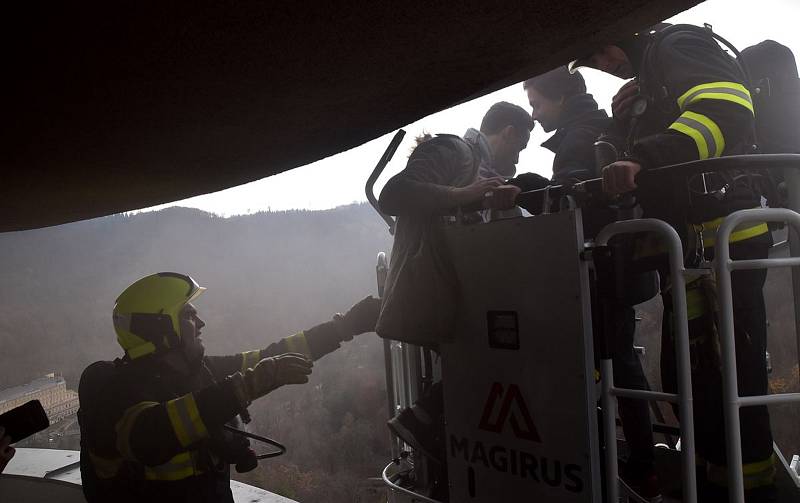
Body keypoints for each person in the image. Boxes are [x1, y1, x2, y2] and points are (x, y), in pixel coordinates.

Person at [572, 23, 776, 502]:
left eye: (599, 54)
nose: (605, 67)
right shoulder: (653, 74)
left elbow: (726, 111)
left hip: (726, 239)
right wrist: (627, 126)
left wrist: (644, 154)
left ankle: (752, 490)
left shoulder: (679, 45)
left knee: (731, 376)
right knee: (693, 376)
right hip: (691, 246)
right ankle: (709, 482)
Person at [78, 272, 380, 503]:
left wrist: (344, 327)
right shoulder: (118, 393)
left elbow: (270, 356)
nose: (201, 323)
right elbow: (150, 435)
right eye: (189, 315)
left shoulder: (200, 371)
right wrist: (244, 387)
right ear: (160, 327)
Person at [377, 102, 535, 500]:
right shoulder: (454, 150)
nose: (519, 157)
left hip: (452, 289)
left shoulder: (480, 171)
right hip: (431, 287)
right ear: (509, 132)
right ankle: (423, 419)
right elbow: (394, 193)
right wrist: (467, 193)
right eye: (521, 145)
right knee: (494, 355)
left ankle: (433, 426)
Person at [524, 67, 660, 500]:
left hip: (601, 270)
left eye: (537, 104)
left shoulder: (578, 136)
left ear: (559, 99)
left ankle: (633, 465)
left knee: (610, 363)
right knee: (622, 362)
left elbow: (572, 199)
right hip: (622, 268)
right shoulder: (597, 125)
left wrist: (525, 188)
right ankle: (642, 462)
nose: (535, 114)